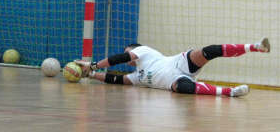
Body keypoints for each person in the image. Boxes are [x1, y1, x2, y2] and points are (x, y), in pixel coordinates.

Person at [75, 37, 271, 97]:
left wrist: (93, 64)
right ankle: (230, 92)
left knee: (206, 51)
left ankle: (254, 47)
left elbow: (119, 58)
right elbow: (115, 79)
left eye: (129, 52)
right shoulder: (137, 77)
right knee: (184, 89)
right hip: (174, 81)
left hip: (179, 62)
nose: (128, 57)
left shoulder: (144, 51)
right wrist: (90, 75)